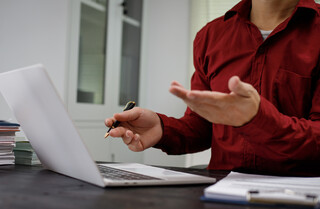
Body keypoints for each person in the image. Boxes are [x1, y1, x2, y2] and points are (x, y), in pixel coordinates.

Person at [105, 0, 320, 176]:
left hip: (300, 199)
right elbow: (203, 128)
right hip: (222, 195)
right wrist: (162, 129)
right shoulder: (210, 36)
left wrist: (258, 119)